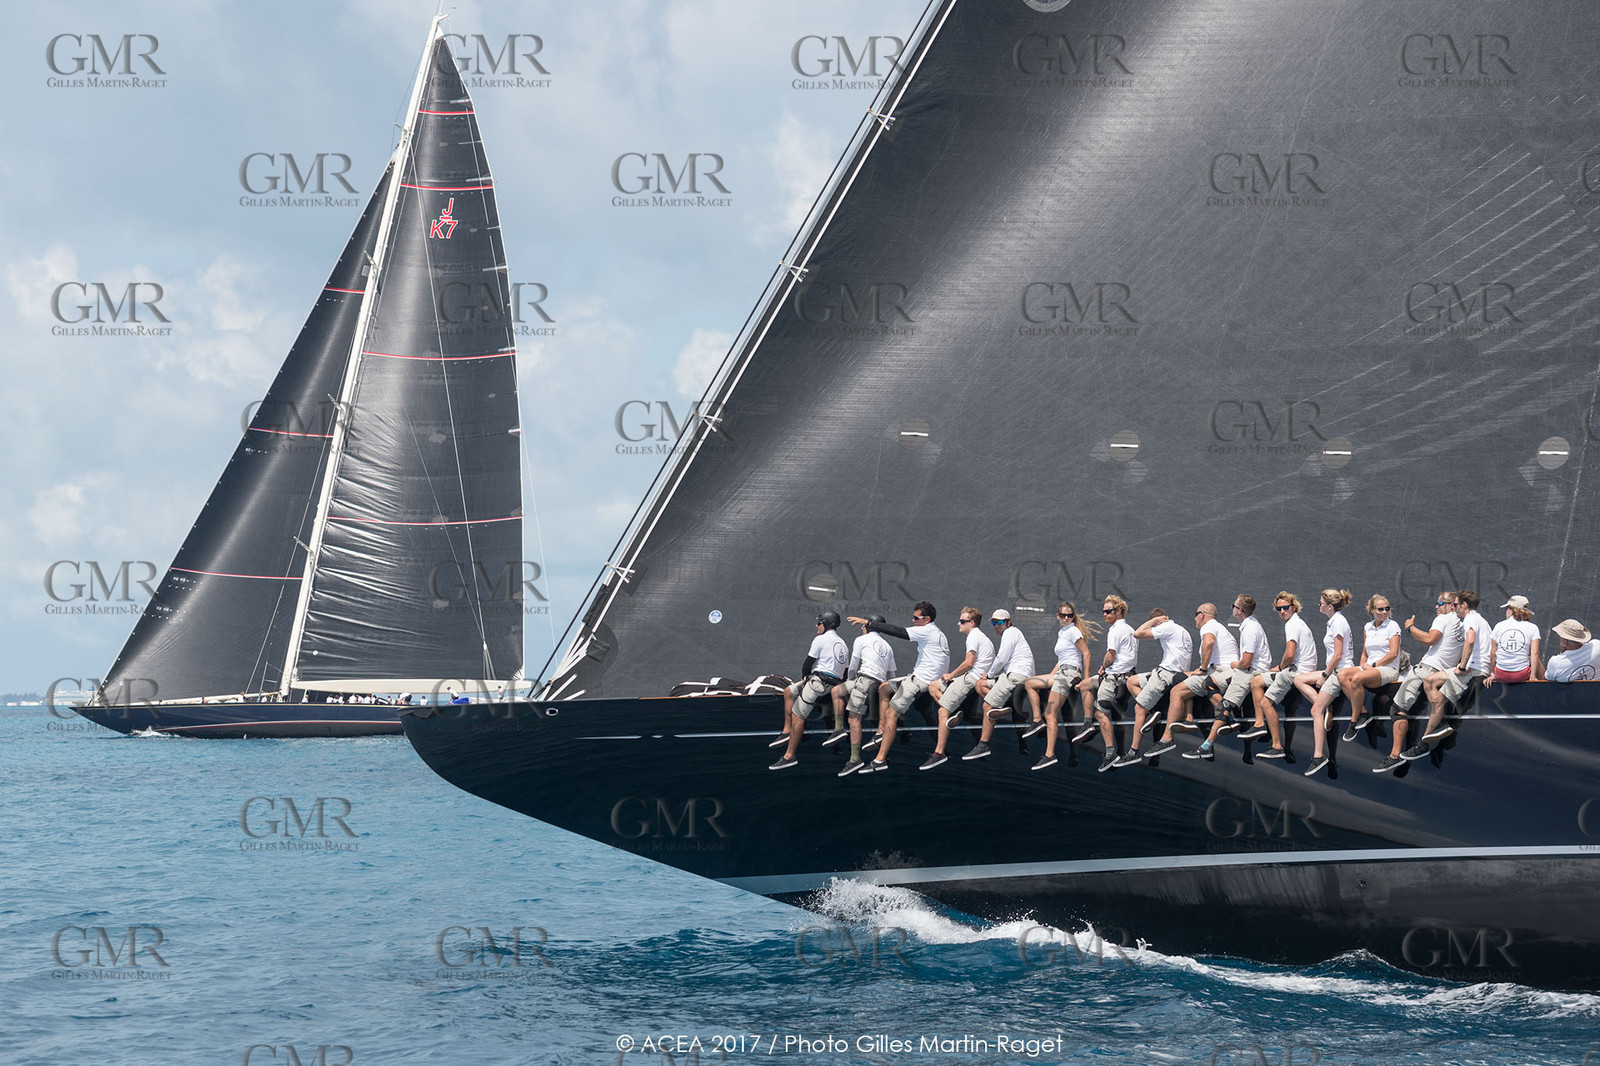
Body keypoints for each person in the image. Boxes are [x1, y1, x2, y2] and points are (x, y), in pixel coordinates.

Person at [850, 602, 950, 772]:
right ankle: (881, 732)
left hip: (920, 680)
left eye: (916, 618)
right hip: (929, 679)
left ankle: (880, 760)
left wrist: (869, 623)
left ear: (926, 619)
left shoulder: (926, 631)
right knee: (885, 688)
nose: (913, 620)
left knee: (891, 713)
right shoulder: (938, 633)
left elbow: (898, 631)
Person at [1372, 591, 1463, 773]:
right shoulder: (1462, 624)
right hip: (1444, 674)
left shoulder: (1443, 619)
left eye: (1440, 603)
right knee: (1414, 712)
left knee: (1397, 709)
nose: (1436, 607)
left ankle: (1395, 756)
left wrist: (1410, 627)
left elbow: (1430, 639)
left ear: (1451, 605)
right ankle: (1421, 745)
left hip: (1426, 670)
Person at [1180, 595, 1269, 761]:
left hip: (1249, 672)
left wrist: (1235, 665)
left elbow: (1246, 662)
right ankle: (1230, 726)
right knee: (1216, 695)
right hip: (1249, 670)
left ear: (1239, 610)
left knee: (1223, 705)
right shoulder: (1250, 625)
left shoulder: (1250, 629)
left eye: (1233, 606)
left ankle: (1208, 745)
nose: (1232, 608)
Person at [1407, 591, 1491, 758]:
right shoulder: (1483, 621)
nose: (1454, 607)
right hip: (1478, 669)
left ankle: (1424, 743)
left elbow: (1470, 640)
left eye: (1456, 604)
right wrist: (1492, 672)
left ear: (1464, 605)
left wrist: (1462, 666)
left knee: (1434, 690)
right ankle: (1440, 724)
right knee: (1432, 684)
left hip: (1472, 670)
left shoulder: (1470, 618)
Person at [1153, 604, 1237, 761]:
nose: (1194, 618)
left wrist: (1203, 669)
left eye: (1196, 614)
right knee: (1181, 678)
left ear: (1202, 615)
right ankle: (1190, 719)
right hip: (1218, 671)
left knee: (1177, 691)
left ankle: (1167, 739)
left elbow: (1209, 642)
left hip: (1221, 672)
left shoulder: (1208, 626)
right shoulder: (1218, 627)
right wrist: (1200, 670)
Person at [769, 610, 850, 770]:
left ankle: (789, 756)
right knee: (789, 691)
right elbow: (845, 672)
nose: (816, 625)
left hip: (818, 682)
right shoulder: (843, 644)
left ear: (826, 624)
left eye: (819, 623)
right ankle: (787, 731)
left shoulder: (820, 639)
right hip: (833, 685)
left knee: (798, 715)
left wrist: (804, 678)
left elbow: (808, 663)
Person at [1241, 592, 1317, 760]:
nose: (1282, 611)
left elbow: (1289, 654)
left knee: (1265, 703)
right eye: (1278, 609)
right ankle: (1260, 724)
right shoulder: (1298, 623)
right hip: (1298, 670)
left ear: (1294, 608)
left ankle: (1277, 746)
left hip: (1295, 672)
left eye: (1285, 608)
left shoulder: (1292, 624)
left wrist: (1280, 668)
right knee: (1256, 682)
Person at [1112, 609, 1192, 766]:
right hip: (1173, 674)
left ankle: (1133, 752)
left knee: (1139, 708)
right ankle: (1153, 710)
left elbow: (1137, 634)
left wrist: (1154, 622)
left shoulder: (1166, 627)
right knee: (1132, 682)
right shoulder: (1182, 630)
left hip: (1166, 674)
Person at [1023, 603, 1096, 770]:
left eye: (1069, 615)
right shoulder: (1062, 632)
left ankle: (1049, 754)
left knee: (1050, 714)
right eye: (1063, 615)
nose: (1066, 618)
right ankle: (1037, 720)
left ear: (1073, 616)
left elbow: (1086, 653)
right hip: (1061, 672)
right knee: (1030, 683)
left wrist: (1085, 679)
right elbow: (1062, 659)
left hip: (1069, 674)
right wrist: (1050, 677)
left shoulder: (1073, 631)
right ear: (1058, 616)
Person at [921, 607, 995, 770]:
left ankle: (939, 753)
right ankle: (954, 712)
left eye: (962, 621)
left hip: (970, 679)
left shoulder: (973, 636)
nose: (958, 624)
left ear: (972, 623)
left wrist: (951, 675)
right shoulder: (982, 637)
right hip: (974, 678)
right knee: (933, 686)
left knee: (942, 711)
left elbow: (968, 663)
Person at [961, 610, 1038, 762]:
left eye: (1000, 622)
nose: (997, 625)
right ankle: (1003, 709)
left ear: (1008, 623)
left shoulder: (1010, 632)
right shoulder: (1013, 634)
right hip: (1017, 676)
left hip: (1015, 676)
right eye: (994, 622)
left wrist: (989, 675)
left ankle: (983, 745)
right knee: (980, 684)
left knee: (987, 706)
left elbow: (1001, 658)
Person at [832, 614, 896, 776]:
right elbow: (891, 675)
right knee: (837, 691)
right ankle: (839, 729)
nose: (862, 627)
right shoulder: (888, 646)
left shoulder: (861, 640)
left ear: (868, 626)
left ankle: (855, 759)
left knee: (854, 719)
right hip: (876, 683)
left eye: (863, 625)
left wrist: (849, 681)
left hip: (863, 681)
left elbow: (853, 666)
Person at [1079, 595, 1137, 772]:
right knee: (1084, 685)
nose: (1104, 614)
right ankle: (1088, 724)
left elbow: (1110, 656)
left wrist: (1103, 667)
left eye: (1108, 611)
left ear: (1119, 611)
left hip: (1113, 678)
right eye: (1103, 611)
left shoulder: (1115, 630)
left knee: (1100, 713)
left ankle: (1110, 752)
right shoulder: (1130, 629)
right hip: (1127, 677)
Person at [1300, 588, 1354, 777]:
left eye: (1321, 603)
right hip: (1333, 670)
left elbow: (1338, 655)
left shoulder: (1338, 622)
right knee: (1299, 679)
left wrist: (1324, 675)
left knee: (1315, 711)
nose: (1319, 605)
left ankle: (1318, 756)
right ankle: (1327, 707)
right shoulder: (1334, 621)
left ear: (1329, 606)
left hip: (1338, 672)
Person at [1337, 594, 1403, 745]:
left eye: (1387, 609)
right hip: (1369, 668)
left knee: (1357, 679)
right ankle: (1363, 713)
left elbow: (1393, 653)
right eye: (1380, 609)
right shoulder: (1367, 627)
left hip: (1388, 669)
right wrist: (1362, 666)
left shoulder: (1393, 625)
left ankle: (1354, 721)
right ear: (1372, 610)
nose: (1385, 612)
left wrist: (1373, 666)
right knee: (1342, 675)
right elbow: (1365, 653)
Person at [1485, 595, 1542, 684]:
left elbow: (1493, 652)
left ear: (1510, 610)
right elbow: (1535, 652)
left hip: (1500, 674)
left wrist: (1493, 674)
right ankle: (1544, 684)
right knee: (1535, 659)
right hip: (1522, 675)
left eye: (1507, 608)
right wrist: (1532, 676)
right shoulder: (1533, 627)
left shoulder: (1499, 626)